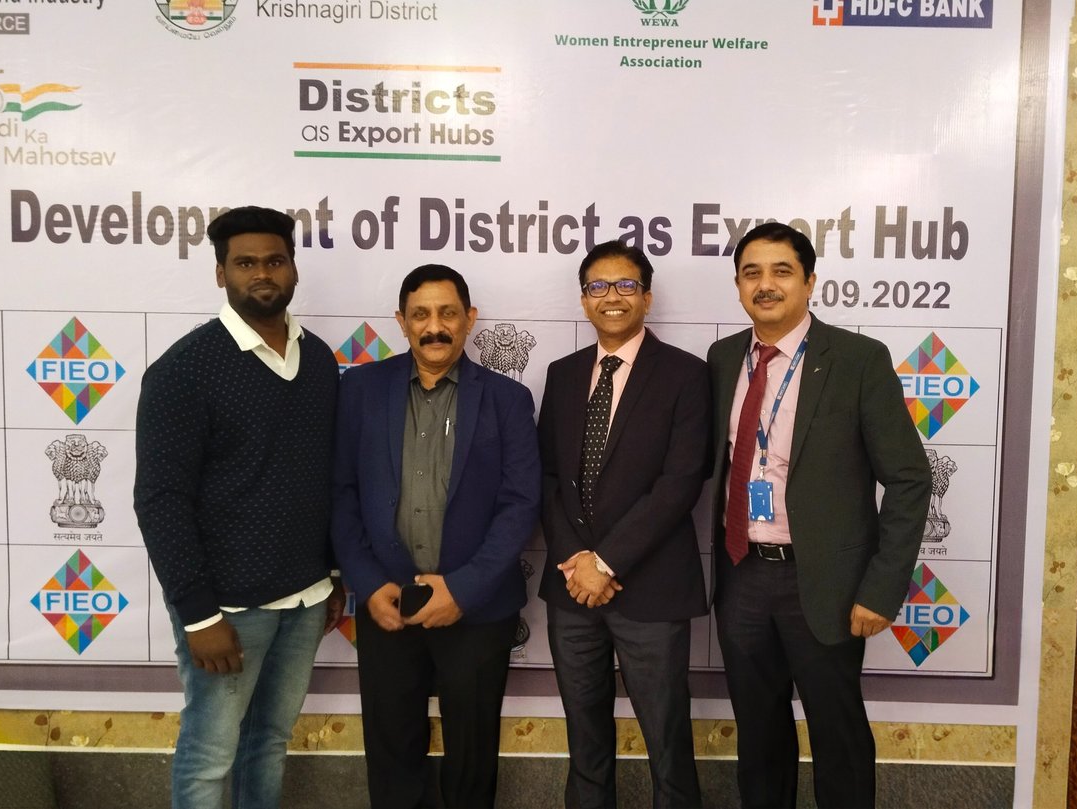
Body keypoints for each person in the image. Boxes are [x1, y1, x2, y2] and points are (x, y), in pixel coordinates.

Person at [708, 222, 931, 809]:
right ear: (738, 285)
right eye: (752, 273)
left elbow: (909, 479)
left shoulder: (857, 359)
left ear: (809, 282)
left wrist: (881, 589)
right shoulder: (724, 358)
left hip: (826, 581)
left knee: (838, 736)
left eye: (782, 271)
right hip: (740, 574)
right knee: (758, 735)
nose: (766, 285)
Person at [134, 206, 343, 809]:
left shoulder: (319, 360)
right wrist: (199, 616)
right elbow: (159, 500)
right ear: (220, 273)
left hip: (306, 599)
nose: (262, 274)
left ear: (294, 269)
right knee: (209, 755)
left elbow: (323, 475)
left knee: (268, 742)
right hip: (227, 608)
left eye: (274, 261)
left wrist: (331, 574)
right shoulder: (184, 370)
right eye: (245, 263)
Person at [331, 264, 540, 809]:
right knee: (392, 753)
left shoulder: (508, 399)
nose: (435, 327)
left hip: (478, 609)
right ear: (401, 322)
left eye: (448, 313)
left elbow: (521, 504)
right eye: (420, 315)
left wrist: (463, 590)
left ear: (470, 318)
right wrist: (367, 583)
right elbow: (342, 493)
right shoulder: (360, 389)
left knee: (472, 758)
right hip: (386, 602)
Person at [537, 241, 711, 808]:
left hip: (651, 589)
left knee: (667, 740)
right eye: (598, 286)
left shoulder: (686, 374)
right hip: (572, 591)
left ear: (647, 297)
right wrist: (577, 564)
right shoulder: (563, 375)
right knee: (584, 739)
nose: (611, 296)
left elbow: (681, 482)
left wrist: (606, 563)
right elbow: (549, 475)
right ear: (584, 299)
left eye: (626, 285)